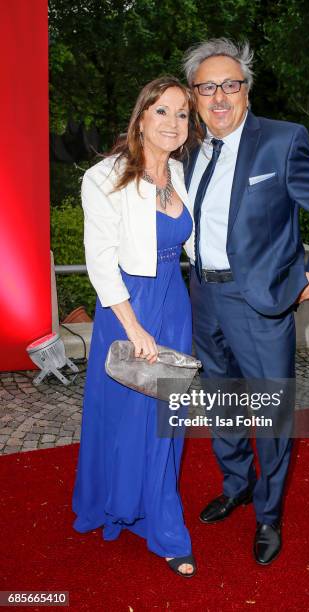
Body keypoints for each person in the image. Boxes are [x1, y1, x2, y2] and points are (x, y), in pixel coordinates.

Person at [182, 39, 309, 565]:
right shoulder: (184, 147)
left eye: (231, 84)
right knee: (222, 403)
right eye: (208, 87)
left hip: (260, 302)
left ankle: (269, 515)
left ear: (247, 91)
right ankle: (238, 485)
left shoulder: (283, 140)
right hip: (202, 296)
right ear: (194, 96)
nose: (220, 97)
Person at [72, 76, 203, 578]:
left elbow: (196, 244)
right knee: (125, 415)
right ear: (142, 117)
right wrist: (133, 327)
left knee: (165, 420)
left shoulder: (182, 175)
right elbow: (100, 261)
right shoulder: (104, 177)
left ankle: (162, 523)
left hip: (174, 305)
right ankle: (119, 504)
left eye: (182, 115)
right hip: (127, 307)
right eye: (163, 111)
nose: (174, 123)